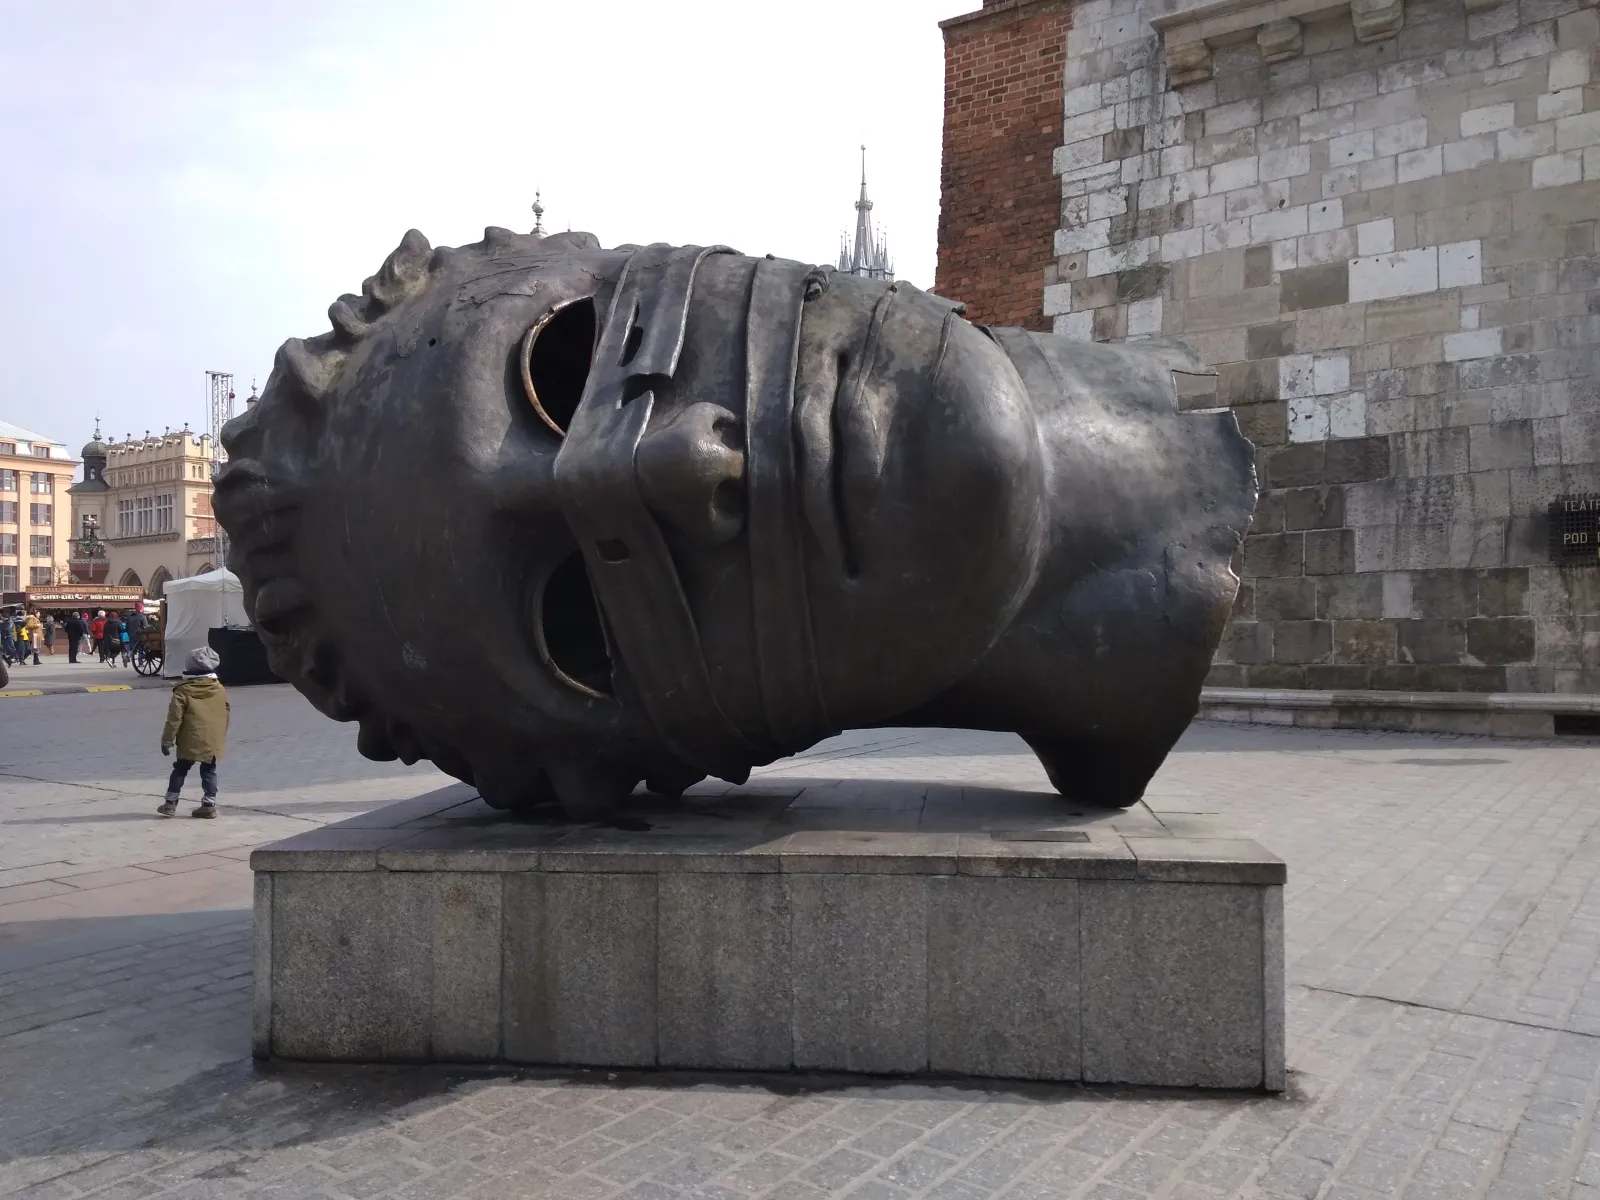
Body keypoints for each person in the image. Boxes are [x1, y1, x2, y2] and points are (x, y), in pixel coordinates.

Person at [158, 646, 229, 818]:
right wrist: (220, 736)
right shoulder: (219, 688)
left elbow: (174, 719)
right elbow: (226, 713)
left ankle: (170, 803)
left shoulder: (182, 690)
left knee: (180, 769)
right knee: (209, 771)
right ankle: (209, 805)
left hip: (188, 739)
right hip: (212, 739)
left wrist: (167, 741)